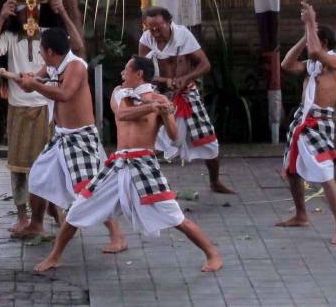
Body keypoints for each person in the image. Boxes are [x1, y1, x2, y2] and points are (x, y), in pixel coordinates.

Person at [35, 56, 223, 273]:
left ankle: (212, 253)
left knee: (174, 216)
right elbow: (122, 115)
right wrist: (152, 107)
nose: (122, 74)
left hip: (144, 164)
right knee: (78, 209)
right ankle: (54, 257)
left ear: (139, 74)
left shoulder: (160, 99)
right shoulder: (120, 93)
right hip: (117, 164)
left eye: (126, 70)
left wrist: (166, 114)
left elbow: (174, 137)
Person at [13, 28, 127, 253]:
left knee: (88, 188)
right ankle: (36, 224)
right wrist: (26, 81)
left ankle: (118, 236)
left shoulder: (76, 66)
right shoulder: (52, 65)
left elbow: (64, 94)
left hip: (80, 138)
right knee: (38, 176)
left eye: (41, 50)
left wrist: (33, 85)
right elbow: (37, 79)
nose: (40, 53)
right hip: (61, 136)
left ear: (49, 51)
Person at [0, 0, 84, 235]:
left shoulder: (50, 36)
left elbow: (77, 45)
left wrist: (63, 12)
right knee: (18, 165)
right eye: (24, 10)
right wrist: (1, 17)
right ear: (17, 14)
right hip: (18, 108)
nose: (30, 14)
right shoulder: (10, 37)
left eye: (35, 9)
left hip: (45, 108)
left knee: (48, 165)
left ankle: (53, 208)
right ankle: (23, 216)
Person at [138, 6, 235, 194]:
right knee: (151, 141)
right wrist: (164, 81)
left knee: (208, 140)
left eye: (158, 27)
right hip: (159, 97)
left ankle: (215, 181)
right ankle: (148, 184)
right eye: (151, 28)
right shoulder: (146, 40)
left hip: (186, 95)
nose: (155, 32)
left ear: (169, 22)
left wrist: (186, 78)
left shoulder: (183, 36)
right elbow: (142, 72)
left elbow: (205, 65)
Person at [278, 2, 336, 244]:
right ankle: (301, 215)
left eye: (312, 41)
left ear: (324, 42)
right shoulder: (313, 65)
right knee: (292, 170)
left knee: (325, 174)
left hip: (320, 122)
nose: (309, 46)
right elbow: (286, 64)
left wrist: (310, 22)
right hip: (301, 120)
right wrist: (304, 36)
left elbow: (317, 52)